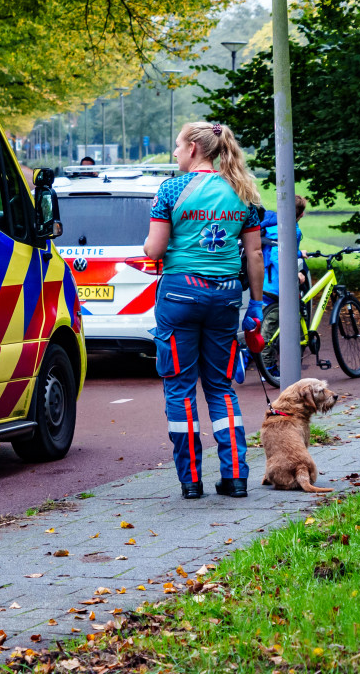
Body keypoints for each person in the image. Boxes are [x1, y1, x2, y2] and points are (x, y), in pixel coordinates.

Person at [143, 121, 265, 500]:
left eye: (178, 146)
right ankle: (235, 477)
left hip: (180, 294)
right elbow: (256, 254)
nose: (175, 152)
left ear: (194, 147)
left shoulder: (172, 189)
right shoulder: (242, 191)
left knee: (179, 388)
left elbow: (154, 250)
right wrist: (256, 304)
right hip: (226, 296)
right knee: (220, 387)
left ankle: (191, 480)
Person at [261, 195, 307, 298]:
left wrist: (299, 253)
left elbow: (283, 250)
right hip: (274, 284)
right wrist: (294, 274)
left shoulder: (272, 224)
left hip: (261, 282)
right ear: (302, 214)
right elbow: (276, 256)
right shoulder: (291, 230)